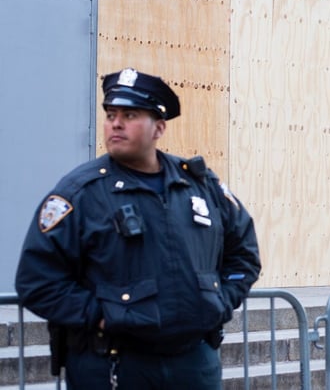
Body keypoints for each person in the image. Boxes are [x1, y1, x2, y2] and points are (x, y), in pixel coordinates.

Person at [15, 67, 261, 389]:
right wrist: (101, 315)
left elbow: (244, 254)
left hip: (193, 363)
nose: (115, 124)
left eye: (129, 115)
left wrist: (217, 303)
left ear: (159, 127)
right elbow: (38, 281)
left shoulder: (201, 186)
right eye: (110, 115)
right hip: (113, 364)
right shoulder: (80, 193)